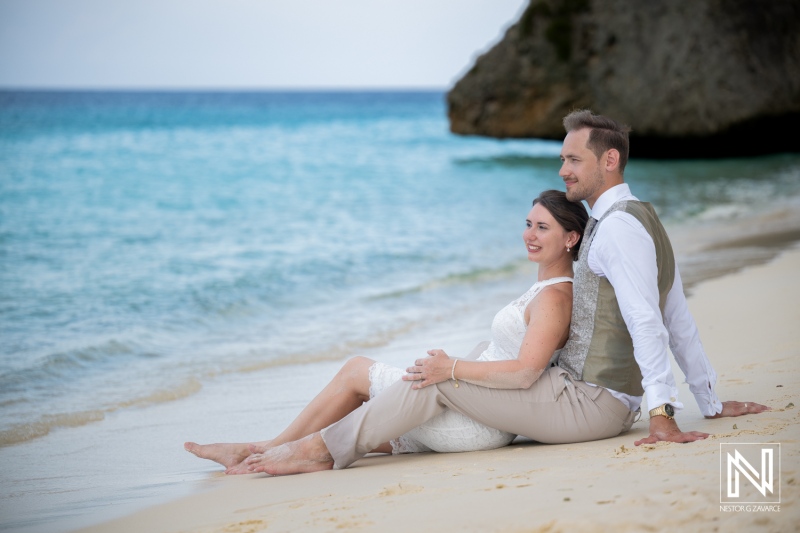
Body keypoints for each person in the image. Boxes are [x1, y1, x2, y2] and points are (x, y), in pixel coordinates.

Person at [239, 109, 769, 476]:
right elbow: (678, 314)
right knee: (441, 377)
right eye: (563, 159)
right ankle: (307, 446)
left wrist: (663, 415)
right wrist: (710, 400)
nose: (563, 170)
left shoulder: (619, 230)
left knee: (439, 379)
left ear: (609, 161)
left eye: (574, 161)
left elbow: (650, 321)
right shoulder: (640, 218)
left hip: (594, 403)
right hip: (588, 396)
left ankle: (317, 451)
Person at [186, 190, 588, 474]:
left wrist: (450, 369)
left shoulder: (555, 297)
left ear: (570, 239)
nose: (529, 235)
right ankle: (262, 451)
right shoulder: (545, 289)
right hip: (473, 410)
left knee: (356, 372)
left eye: (543, 228)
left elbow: (525, 372)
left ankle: (269, 448)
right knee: (362, 420)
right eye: (528, 224)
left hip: (478, 421)